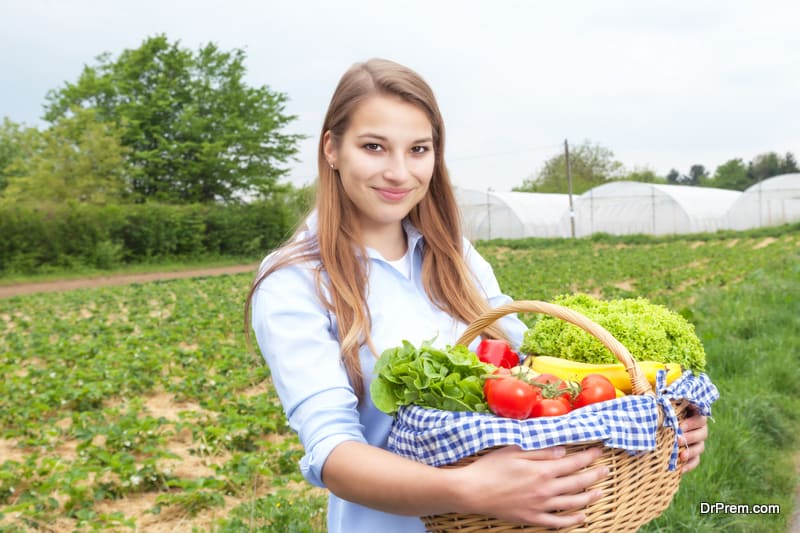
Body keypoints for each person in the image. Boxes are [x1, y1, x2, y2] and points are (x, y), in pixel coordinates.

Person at [245, 58, 709, 533]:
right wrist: (471, 488)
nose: (399, 172)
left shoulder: (452, 255)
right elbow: (332, 453)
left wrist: (659, 428)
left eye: (418, 149)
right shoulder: (296, 281)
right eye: (374, 147)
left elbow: (534, 372)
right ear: (332, 149)